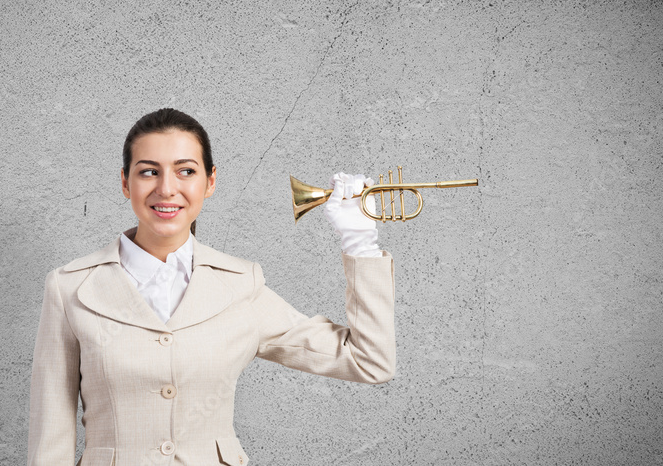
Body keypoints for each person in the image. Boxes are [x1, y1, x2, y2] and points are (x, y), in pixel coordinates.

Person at [27, 108, 395, 466]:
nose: (166, 189)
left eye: (186, 171)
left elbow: (370, 362)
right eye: (148, 172)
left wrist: (359, 243)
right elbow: (51, 439)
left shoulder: (240, 287)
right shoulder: (71, 287)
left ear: (210, 181)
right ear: (125, 182)